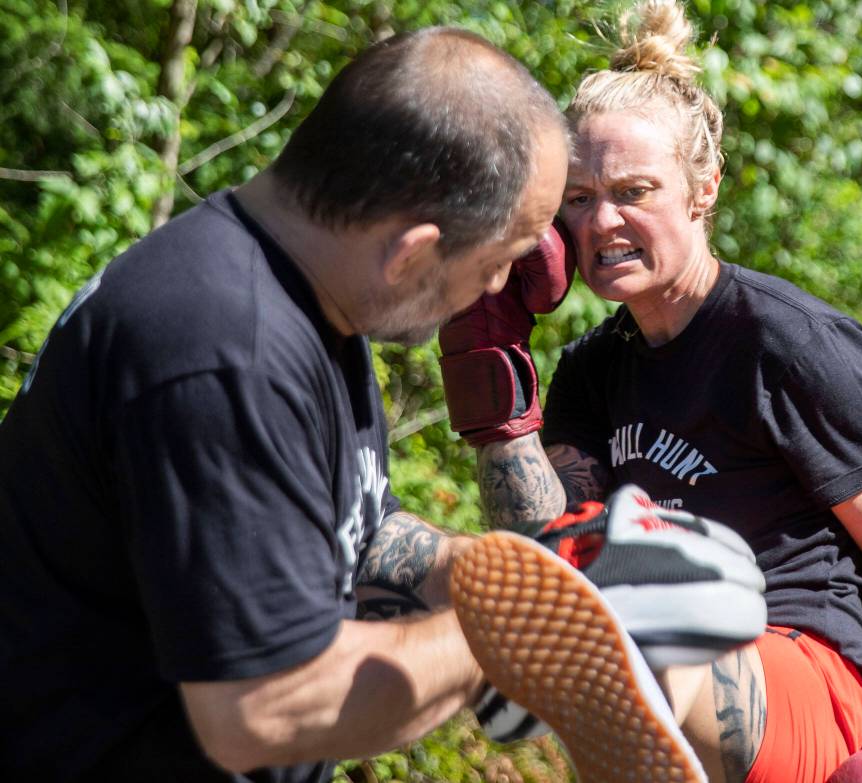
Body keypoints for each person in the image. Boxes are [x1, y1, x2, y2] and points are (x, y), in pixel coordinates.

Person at [0, 27, 574, 782]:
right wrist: (511, 636)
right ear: (411, 252)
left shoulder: (313, 297)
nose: (500, 287)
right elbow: (261, 706)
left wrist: (495, 571)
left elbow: (342, 527)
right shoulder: (224, 349)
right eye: (498, 259)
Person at [438, 2, 862, 782]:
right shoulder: (592, 367)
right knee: (570, 581)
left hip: (804, 671)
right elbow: (545, 560)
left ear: (703, 188)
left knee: (629, 607)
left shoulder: (784, 340)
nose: (602, 221)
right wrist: (495, 384)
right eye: (578, 199)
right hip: (645, 678)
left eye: (633, 190)